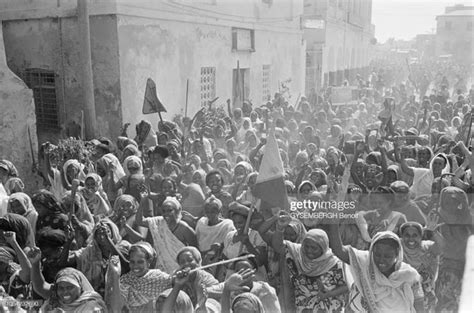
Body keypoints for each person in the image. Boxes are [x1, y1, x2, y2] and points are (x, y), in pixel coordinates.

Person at [328, 223, 425, 312]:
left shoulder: (409, 275)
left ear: (397, 254)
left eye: (387, 256)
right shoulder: (365, 262)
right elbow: (338, 250)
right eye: (377, 255)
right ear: (372, 251)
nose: (381, 260)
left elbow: (419, 305)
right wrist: (333, 220)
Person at [272, 217, 348, 313]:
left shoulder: (334, 263)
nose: (309, 251)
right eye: (306, 246)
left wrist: (329, 293)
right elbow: (278, 246)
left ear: (323, 247)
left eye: (314, 248)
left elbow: (347, 285)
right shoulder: (297, 254)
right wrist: (279, 228)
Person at [28, 246, 106, 313]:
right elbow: (40, 287)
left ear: (80, 288)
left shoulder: (91, 306)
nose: (65, 292)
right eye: (61, 288)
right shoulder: (55, 300)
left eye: (70, 287)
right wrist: (35, 263)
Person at [137, 196, 197, 273]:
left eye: (170, 210)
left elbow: (195, 249)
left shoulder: (184, 228)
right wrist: (142, 201)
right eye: (164, 211)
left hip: (182, 268)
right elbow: (139, 221)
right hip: (162, 268)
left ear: (177, 211)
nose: (166, 214)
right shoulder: (158, 222)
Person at [108, 242, 172, 312]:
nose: (135, 266)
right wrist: (115, 275)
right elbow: (116, 309)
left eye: (140, 262)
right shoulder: (125, 280)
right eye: (132, 262)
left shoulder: (160, 278)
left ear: (148, 261)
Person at [400, 217, 444, 312]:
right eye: (407, 235)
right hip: (402, 295)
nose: (411, 239)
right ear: (402, 237)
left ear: (421, 236)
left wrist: (433, 231)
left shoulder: (426, 246)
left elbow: (441, 246)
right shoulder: (398, 247)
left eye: (415, 235)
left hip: (425, 297)